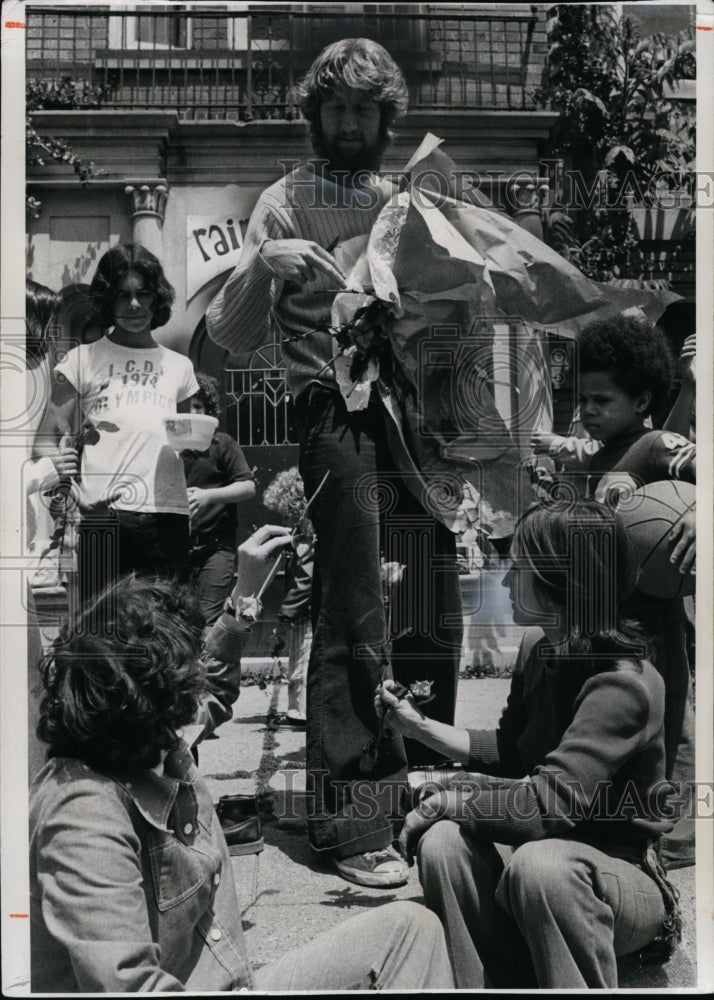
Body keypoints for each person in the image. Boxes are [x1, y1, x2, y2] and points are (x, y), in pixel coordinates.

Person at [205, 38, 463, 887]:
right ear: (315, 114)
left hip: (412, 411)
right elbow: (230, 340)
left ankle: (422, 783)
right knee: (355, 592)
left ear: (387, 118)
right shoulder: (281, 203)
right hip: (332, 413)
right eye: (336, 108)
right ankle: (350, 820)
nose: (350, 123)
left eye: (366, 109)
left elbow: (457, 308)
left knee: (429, 583)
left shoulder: (408, 193)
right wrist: (257, 266)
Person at [29, 524, 454, 994]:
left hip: (235, 982)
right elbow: (128, 987)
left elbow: (211, 687)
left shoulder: (143, 742)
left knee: (409, 930)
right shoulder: (83, 819)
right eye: (183, 676)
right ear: (150, 702)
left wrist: (245, 591)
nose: (196, 680)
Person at [375, 500, 681, 989]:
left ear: (564, 583)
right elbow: (512, 751)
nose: (503, 581)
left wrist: (448, 798)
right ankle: (492, 979)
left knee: (543, 868)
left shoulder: (625, 685)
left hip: (619, 880)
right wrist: (417, 727)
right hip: (544, 861)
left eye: (519, 569)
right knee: (444, 843)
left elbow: (548, 805)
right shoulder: (538, 648)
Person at [577, 313, 695, 868]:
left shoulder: (653, 445)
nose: (588, 410)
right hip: (601, 619)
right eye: (583, 400)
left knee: (668, 727)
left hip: (653, 623)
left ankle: (676, 840)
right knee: (618, 728)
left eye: (602, 400)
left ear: (641, 398)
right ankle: (627, 823)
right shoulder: (598, 456)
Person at [37, 244, 199, 607]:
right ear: (107, 300)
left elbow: (185, 441)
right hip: (103, 516)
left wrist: (191, 448)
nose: (135, 305)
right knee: (102, 628)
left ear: (158, 298)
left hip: (167, 513)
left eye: (143, 293)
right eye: (122, 295)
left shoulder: (180, 367)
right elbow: (46, 442)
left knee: (170, 626)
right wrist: (77, 494)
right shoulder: (81, 360)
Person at [182, 372, 256, 624]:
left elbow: (247, 487)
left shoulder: (222, 444)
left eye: (198, 407)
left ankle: (207, 664)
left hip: (215, 549)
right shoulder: (164, 448)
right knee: (176, 622)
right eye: (185, 408)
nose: (192, 413)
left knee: (206, 620)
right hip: (173, 550)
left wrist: (208, 496)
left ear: (209, 410)